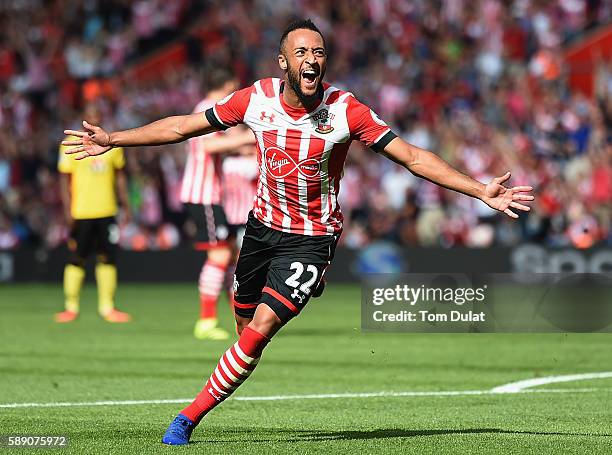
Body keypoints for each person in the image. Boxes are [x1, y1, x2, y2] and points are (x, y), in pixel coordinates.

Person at [61, 19, 534, 444]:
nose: (312, 60)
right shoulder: (256, 99)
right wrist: (113, 138)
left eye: (319, 52)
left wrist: (479, 190)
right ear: (284, 62)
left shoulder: (346, 111)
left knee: (259, 331)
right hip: (261, 229)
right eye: (302, 53)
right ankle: (290, 296)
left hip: (312, 236)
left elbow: (411, 156)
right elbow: (185, 127)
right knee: (243, 323)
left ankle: (187, 417)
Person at [180, 68, 256, 340]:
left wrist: (243, 146)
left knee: (227, 257)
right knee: (220, 256)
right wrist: (249, 137)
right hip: (203, 194)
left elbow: (222, 144)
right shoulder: (208, 109)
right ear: (227, 85)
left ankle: (237, 316)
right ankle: (206, 320)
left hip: (208, 194)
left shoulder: (204, 108)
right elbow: (209, 147)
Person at [55, 104, 132, 323]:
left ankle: (107, 307)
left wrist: (125, 204)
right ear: (83, 119)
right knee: (76, 257)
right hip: (81, 211)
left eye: (97, 116)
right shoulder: (70, 144)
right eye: (90, 117)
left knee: (107, 258)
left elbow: (120, 177)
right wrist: (67, 208)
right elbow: (64, 180)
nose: (93, 120)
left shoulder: (112, 143)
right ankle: (71, 306)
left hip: (107, 210)